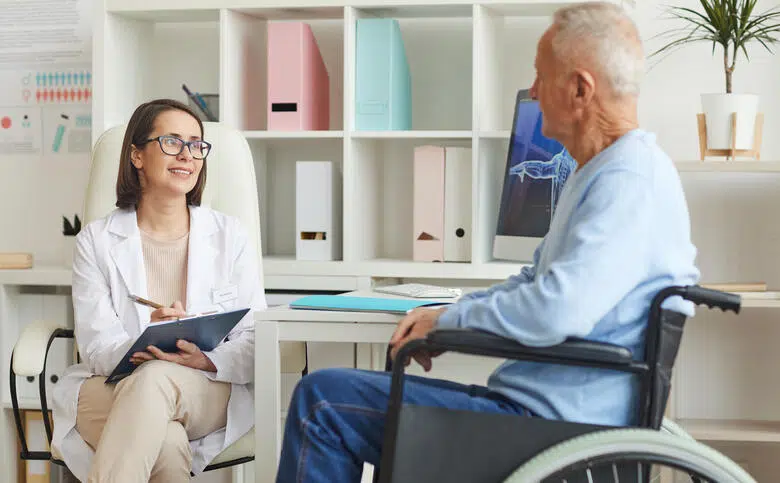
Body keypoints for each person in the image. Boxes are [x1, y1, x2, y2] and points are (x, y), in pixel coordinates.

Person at [274, 2, 700, 482]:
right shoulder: (599, 172)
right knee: (331, 396)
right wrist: (447, 316)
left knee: (323, 403)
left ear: (580, 89)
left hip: (552, 432)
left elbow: (558, 309)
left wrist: (453, 320)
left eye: (541, 76)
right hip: (535, 414)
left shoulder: (631, 179)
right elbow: (532, 280)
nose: (533, 91)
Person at [51, 98, 263, 482]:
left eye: (197, 145)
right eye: (172, 142)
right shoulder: (96, 241)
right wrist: (148, 341)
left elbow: (253, 338)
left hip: (206, 386)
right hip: (111, 384)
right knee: (164, 440)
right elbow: (97, 347)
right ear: (136, 155)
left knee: (155, 380)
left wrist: (205, 359)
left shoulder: (230, 237)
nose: (188, 155)